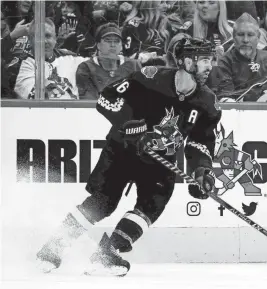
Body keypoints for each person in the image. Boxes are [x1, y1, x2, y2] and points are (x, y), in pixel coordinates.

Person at [35, 35, 221, 277]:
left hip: (160, 160)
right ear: (186, 61)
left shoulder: (207, 102)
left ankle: (107, 253)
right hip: (123, 149)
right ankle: (53, 247)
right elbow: (106, 98)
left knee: (151, 205)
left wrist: (202, 170)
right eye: (205, 60)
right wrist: (131, 125)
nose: (210, 66)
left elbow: (200, 141)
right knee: (103, 202)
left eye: (211, 60)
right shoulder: (149, 78)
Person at [212, 13, 267, 102]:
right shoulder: (224, 62)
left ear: (258, 37)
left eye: (250, 35)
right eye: (241, 34)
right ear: (233, 38)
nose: (245, 40)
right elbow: (227, 101)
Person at [14, 18, 88, 99]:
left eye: (48, 36)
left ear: (55, 39)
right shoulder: (25, 65)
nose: (44, 41)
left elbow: (98, 62)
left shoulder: (70, 58)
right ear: (31, 40)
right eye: (39, 37)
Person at [76, 23, 141, 100]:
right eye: (108, 40)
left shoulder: (134, 65)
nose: (112, 45)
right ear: (98, 45)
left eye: (117, 41)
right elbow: (89, 102)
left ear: (121, 46)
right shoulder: (85, 68)